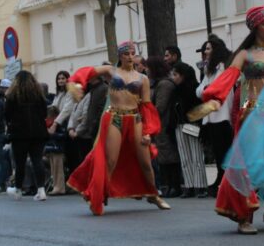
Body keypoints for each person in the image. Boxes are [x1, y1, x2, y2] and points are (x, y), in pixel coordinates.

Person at [200, 6, 264, 234]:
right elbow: (230, 77)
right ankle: (243, 216)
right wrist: (215, 95)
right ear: (255, 27)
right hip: (253, 112)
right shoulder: (245, 55)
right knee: (249, 164)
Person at [66, 41, 170, 215]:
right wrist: (75, 84)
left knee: (145, 162)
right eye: (126, 54)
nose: (130, 57)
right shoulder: (110, 72)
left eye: (132, 54)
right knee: (110, 160)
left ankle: (153, 194)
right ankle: (101, 193)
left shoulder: (142, 79)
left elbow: (147, 106)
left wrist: (148, 132)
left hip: (135, 119)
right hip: (114, 117)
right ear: (120, 56)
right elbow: (87, 71)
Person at [196, 36, 234, 196]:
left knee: (224, 149)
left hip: (222, 115)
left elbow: (216, 89)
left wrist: (206, 90)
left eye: (208, 48)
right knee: (218, 151)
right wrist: (206, 90)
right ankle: (221, 177)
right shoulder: (208, 70)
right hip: (211, 115)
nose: (205, 52)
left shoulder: (224, 67)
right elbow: (200, 91)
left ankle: (225, 179)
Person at [4, 70, 50, 201]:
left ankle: (18, 189)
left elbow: (7, 115)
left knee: (20, 163)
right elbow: (44, 113)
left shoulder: (12, 96)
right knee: (37, 160)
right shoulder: (38, 95)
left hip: (19, 134)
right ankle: (41, 190)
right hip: (38, 132)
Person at [171, 61, 207, 198]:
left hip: (192, 124)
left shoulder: (193, 88)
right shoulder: (175, 90)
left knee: (196, 154)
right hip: (180, 125)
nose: (173, 77)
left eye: (176, 74)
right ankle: (189, 185)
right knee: (185, 156)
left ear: (183, 75)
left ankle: (199, 186)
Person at [147, 55, 181, 197]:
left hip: (164, 124)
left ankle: (174, 185)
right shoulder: (159, 84)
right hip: (160, 124)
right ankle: (168, 185)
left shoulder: (164, 84)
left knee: (169, 155)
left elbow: (160, 107)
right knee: (163, 155)